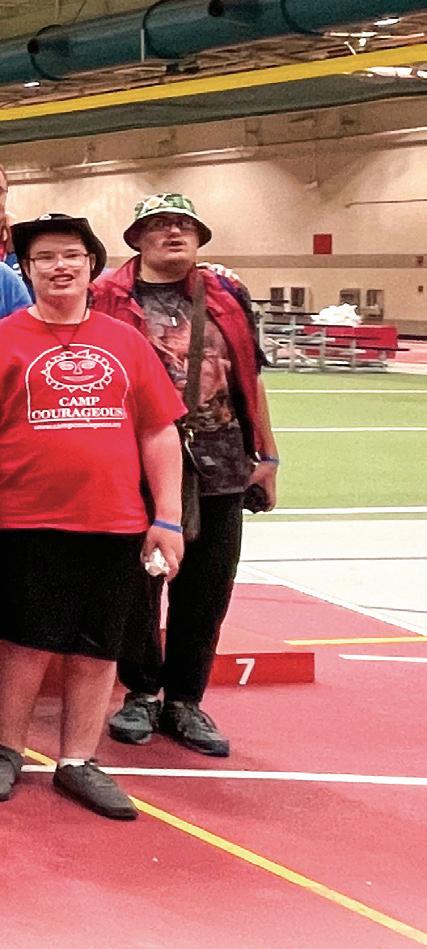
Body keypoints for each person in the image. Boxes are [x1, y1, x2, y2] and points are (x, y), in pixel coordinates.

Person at [0, 212, 185, 819]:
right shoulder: (4, 340)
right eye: (45, 258)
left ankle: (77, 761)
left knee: (98, 648)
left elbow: (158, 432)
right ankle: (6, 751)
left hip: (114, 522)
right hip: (23, 521)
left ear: (90, 266)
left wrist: (168, 518)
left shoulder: (126, 343)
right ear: (27, 270)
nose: (59, 267)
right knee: (22, 645)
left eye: (71, 256)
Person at [93, 192, 279, 757]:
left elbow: (250, 378)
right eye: (159, 225)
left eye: (183, 225)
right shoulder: (106, 296)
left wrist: (267, 457)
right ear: (137, 238)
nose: (173, 233)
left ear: (199, 237)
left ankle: (185, 700)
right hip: (134, 464)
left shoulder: (227, 295)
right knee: (136, 588)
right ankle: (140, 693)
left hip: (221, 461)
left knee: (206, 589)